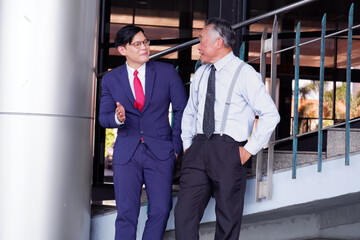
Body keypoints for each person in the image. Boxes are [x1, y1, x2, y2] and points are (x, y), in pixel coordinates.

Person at [174, 17, 280, 239]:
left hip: (228, 149)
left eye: (202, 40)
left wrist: (247, 151)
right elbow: (190, 112)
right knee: (184, 216)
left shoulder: (245, 73)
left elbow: (271, 114)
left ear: (218, 42)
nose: (199, 46)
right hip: (198, 147)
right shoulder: (202, 73)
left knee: (228, 221)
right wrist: (187, 146)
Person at [99, 25, 187, 240]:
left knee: (160, 211)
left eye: (145, 42)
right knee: (126, 213)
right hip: (127, 152)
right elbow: (104, 117)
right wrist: (117, 118)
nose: (144, 47)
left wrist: (176, 147)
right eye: (137, 44)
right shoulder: (111, 80)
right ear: (122, 50)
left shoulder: (166, 73)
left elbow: (182, 109)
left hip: (161, 151)